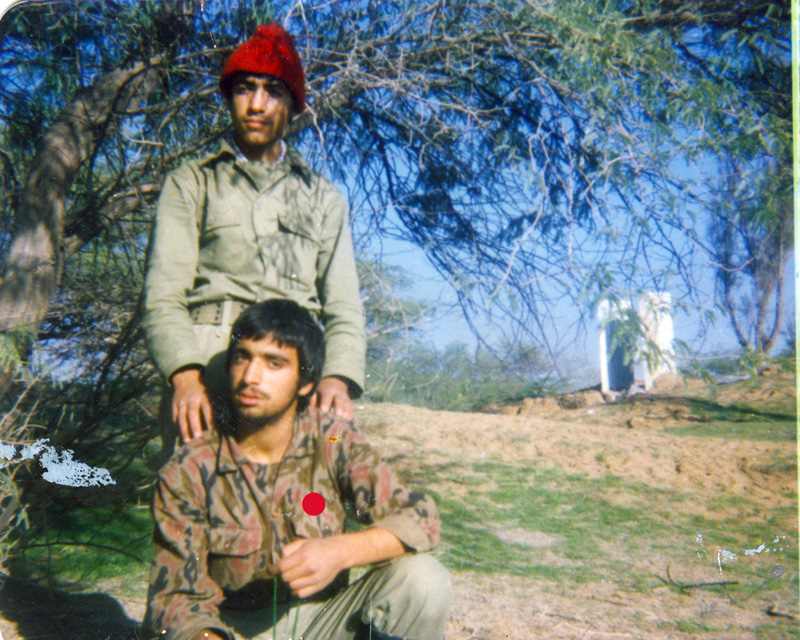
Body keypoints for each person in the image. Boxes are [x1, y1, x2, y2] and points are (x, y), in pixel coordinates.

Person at [142, 299, 451, 640]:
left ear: (305, 383)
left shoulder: (332, 439)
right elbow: (174, 600)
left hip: (324, 622)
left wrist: (341, 551)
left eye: (274, 363)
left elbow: (421, 516)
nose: (250, 377)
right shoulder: (191, 467)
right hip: (233, 630)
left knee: (423, 579)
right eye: (243, 357)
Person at [143, 23, 365, 445]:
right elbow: (162, 296)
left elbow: (344, 308)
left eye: (273, 91)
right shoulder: (191, 182)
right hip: (209, 371)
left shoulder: (324, 197)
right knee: (193, 485)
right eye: (245, 89)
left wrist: (337, 378)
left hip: (294, 377)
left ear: (293, 105)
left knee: (309, 485)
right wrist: (185, 376)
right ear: (229, 97)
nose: (257, 104)